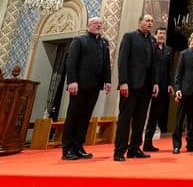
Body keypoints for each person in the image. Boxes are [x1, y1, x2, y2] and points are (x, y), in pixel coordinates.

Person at [61, 16, 111, 160]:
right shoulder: (79, 40)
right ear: (88, 25)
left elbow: (106, 63)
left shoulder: (104, 43)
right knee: (73, 116)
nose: (98, 25)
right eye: (95, 23)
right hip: (79, 85)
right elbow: (71, 62)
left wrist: (107, 80)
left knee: (85, 117)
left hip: (95, 85)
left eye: (100, 23)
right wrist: (72, 81)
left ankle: (78, 146)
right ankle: (67, 149)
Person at [114, 14, 159, 161]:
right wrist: (123, 82)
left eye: (151, 21)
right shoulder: (129, 37)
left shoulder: (153, 40)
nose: (150, 23)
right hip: (131, 85)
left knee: (140, 119)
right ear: (140, 22)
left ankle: (134, 148)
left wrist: (155, 83)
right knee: (125, 119)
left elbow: (154, 64)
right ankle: (119, 151)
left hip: (146, 86)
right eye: (147, 21)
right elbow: (122, 60)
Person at [172, 30, 193, 154]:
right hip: (186, 91)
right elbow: (178, 75)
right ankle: (176, 145)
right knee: (180, 120)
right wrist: (178, 89)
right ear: (191, 40)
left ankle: (191, 144)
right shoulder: (184, 54)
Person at [144, 26, 174, 152]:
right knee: (144, 112)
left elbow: (170, 69)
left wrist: (170, 84)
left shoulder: (168, 50)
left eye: (163, 33)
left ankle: (148, 143)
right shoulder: (151, 47)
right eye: (160, 33)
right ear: (155, 35)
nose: (162, 35)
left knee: (155, 114)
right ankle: (139, 141)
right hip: (149, 84)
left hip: (162, 87)